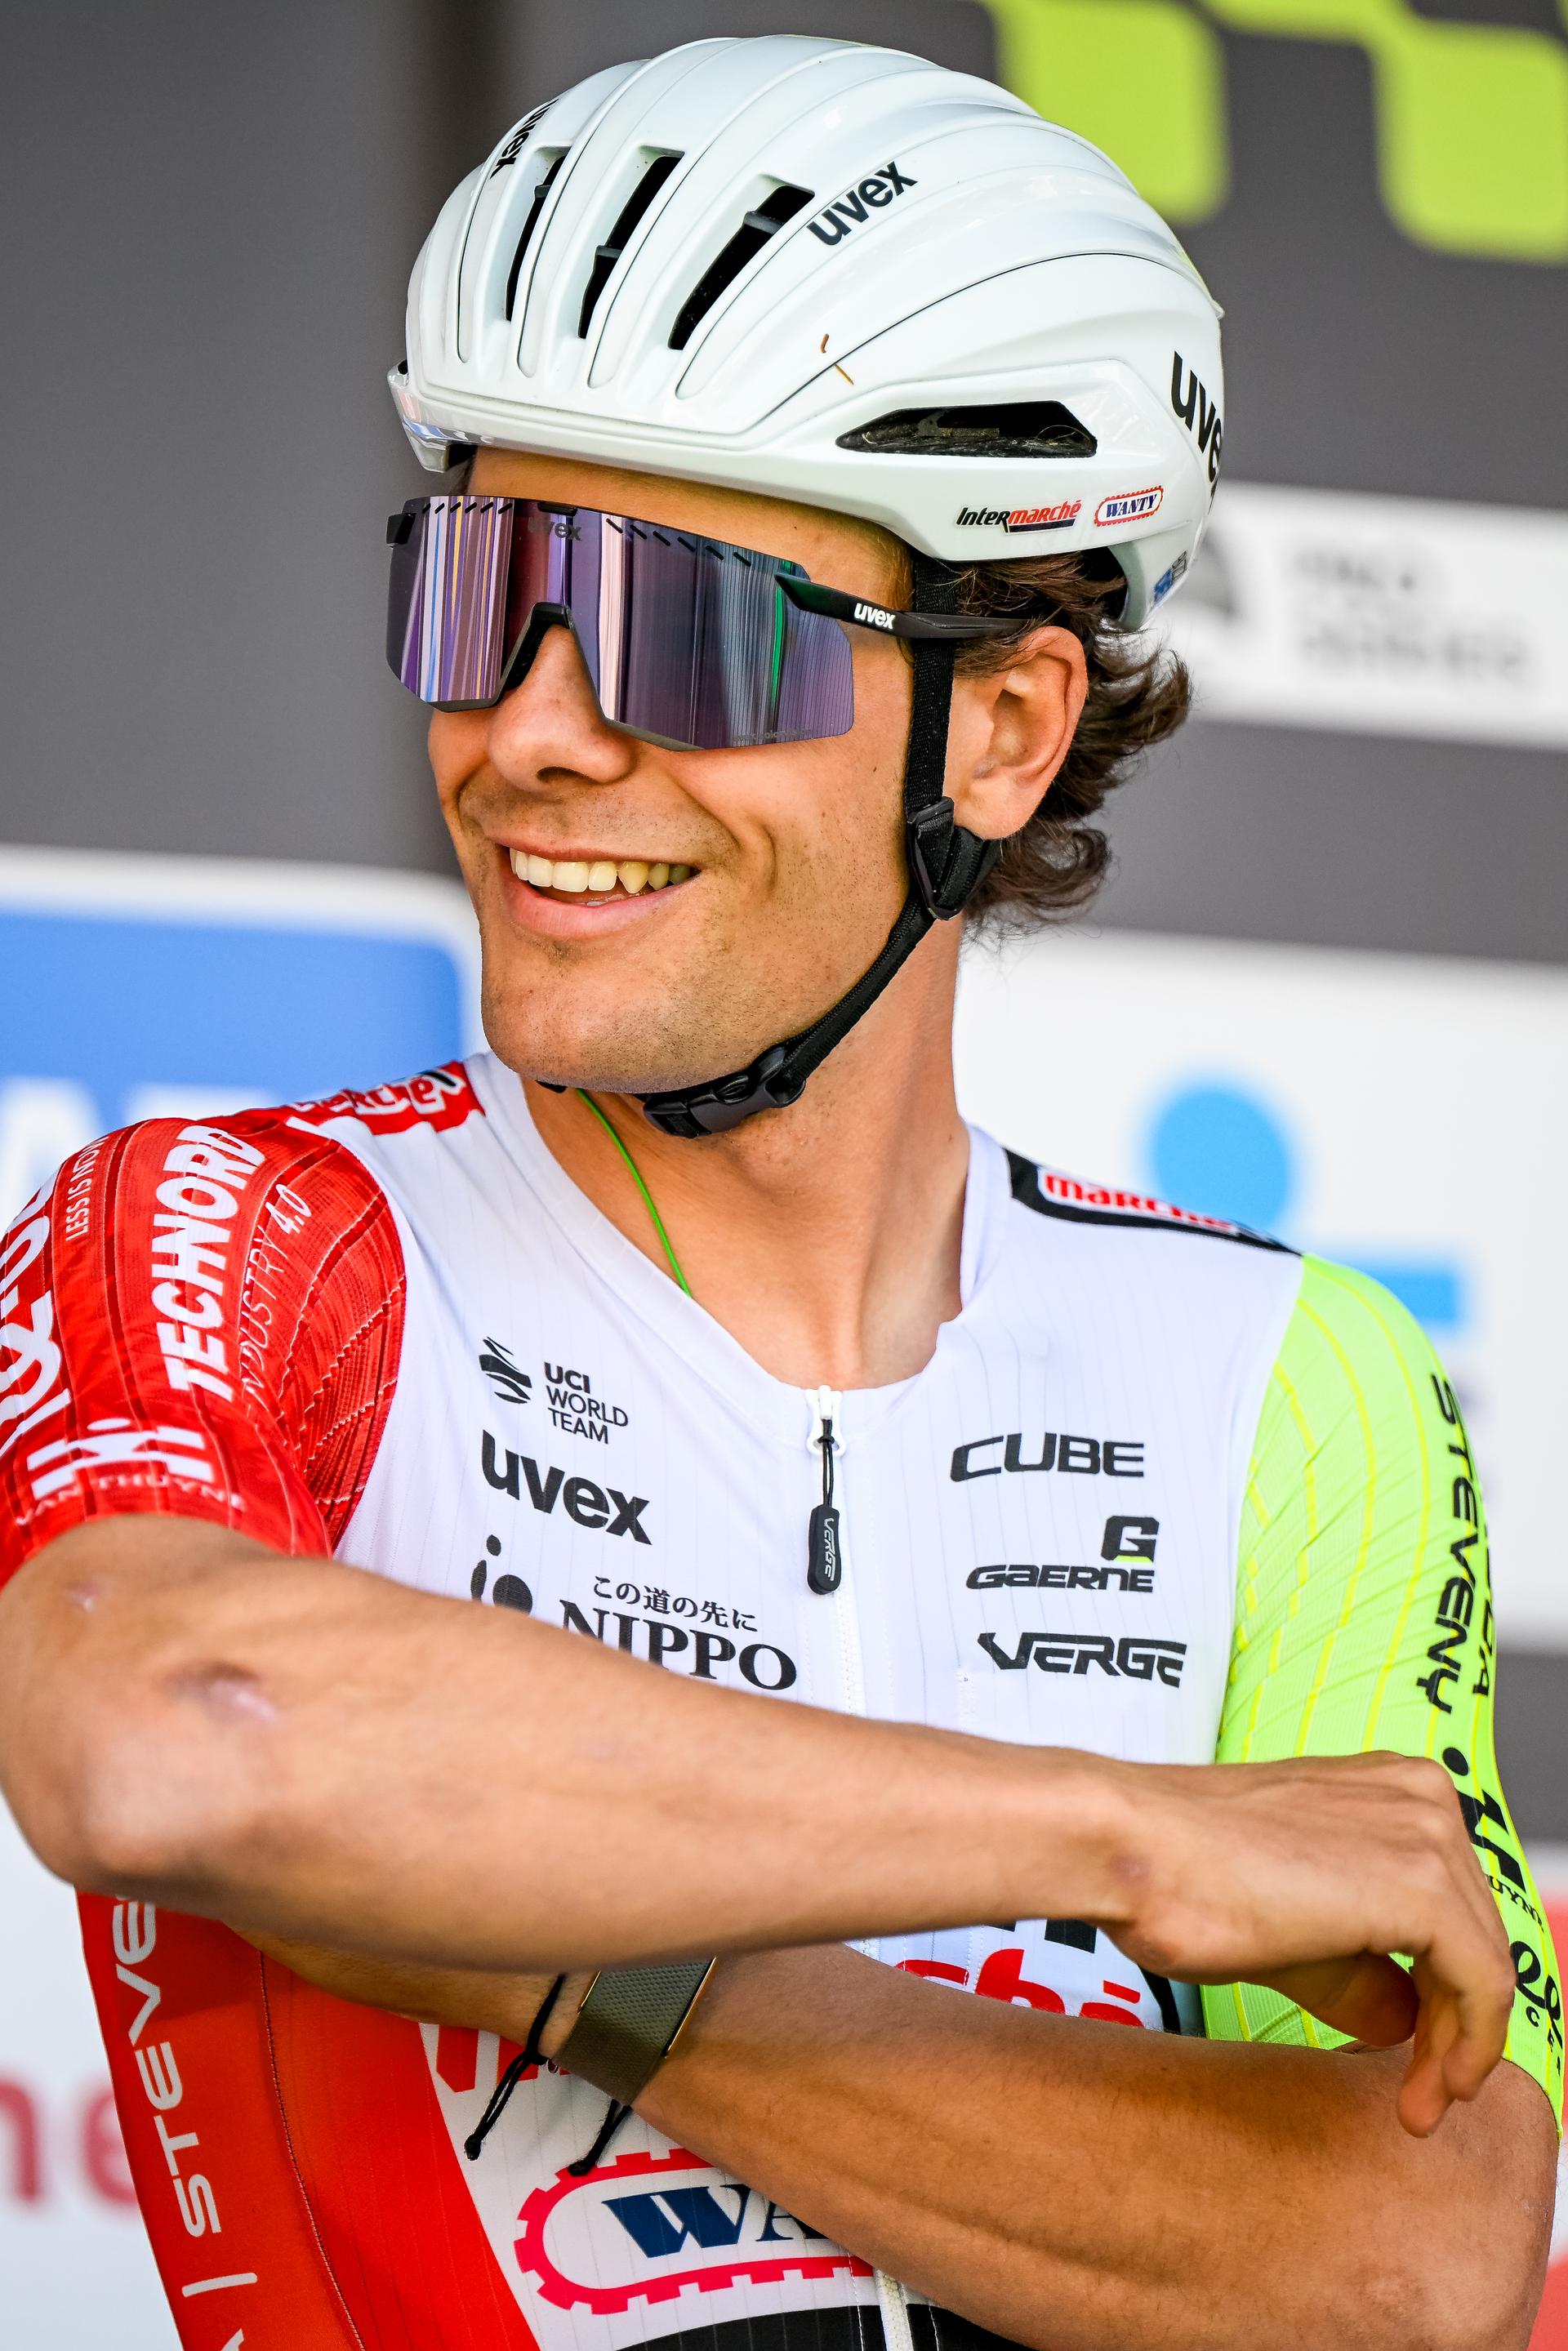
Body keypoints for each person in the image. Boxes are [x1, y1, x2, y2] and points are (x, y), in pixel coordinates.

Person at [0, 33, 1555, 2351]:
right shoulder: (237, 1224)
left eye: (672, 624)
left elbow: (1423, 2256)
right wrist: (1106, 1829)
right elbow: (169, 1726)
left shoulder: (1292, 1380)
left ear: (1004, 730)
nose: (529, 728)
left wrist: (515, 1920)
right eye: (483, 593)